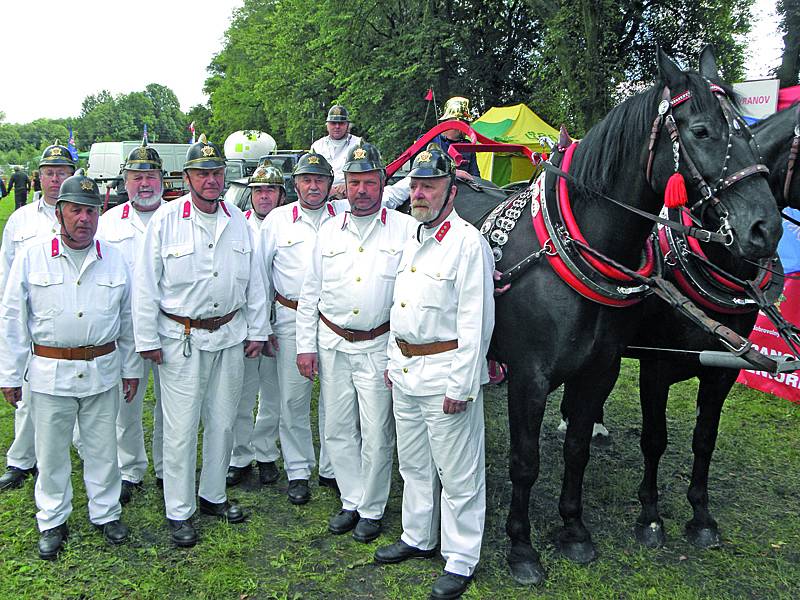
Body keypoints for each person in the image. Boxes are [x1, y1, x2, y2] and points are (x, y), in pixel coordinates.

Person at [133, 135, 270, 548]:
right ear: (188, 176)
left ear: (225, 175)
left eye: (216, 172)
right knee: (180, 427)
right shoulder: (167, 219)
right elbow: (145, 284)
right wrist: (147, 338)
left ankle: (212, 495)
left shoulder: (239, 220)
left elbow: (256, 282)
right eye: (202, 173)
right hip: (180, 338)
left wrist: (258, 330)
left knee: (224, 420)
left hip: (229, 335)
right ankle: (179, 509)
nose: (210, 180)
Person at [374, 144, 494, 600]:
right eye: (416, 185)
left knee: (459, 472)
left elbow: (476, 322)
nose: (420, 193)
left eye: (430, 185)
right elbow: (397, 306)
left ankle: (461, 558)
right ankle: (418, 536)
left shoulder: (467, 243)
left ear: (451, 190)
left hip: (445, 374)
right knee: (415, 464)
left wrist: (462, 385)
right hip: (405, 370)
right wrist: (391, 360)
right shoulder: (412, 237)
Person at [0, 171, 139, 560]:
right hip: (49, 372)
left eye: (92, 212)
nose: (85, 219)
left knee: (101, 448)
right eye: (76, 210)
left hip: (101, 369)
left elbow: (127, 320)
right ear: (59, 213)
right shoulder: (32, 257)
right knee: (51, 453)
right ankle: (52, 519)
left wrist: (130, 368)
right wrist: (10, 374)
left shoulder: (114, 259)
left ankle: (106, 512)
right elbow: (12, 318)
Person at [296, 142, 416, 543]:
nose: (361, 190)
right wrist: (305, 345)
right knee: (337, 428)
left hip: (378, 344)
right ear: (343, 186)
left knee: (377, 431)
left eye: (369, 182)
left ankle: (372, 507)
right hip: (331, 343)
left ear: (383, 183)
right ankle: (350, 498)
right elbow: (309, 292)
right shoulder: (329, 229)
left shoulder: (405, 231)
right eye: (354, 182)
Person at [257, 151, 347, 505]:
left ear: (330, 184)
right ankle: (297, 470)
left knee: (335, 399)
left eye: (320, 180)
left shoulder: (344, 216)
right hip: (290, 318)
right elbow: (260, 277)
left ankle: (331, 467)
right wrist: (261, 326)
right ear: (294, 184)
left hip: (333, 321)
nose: (313, 186)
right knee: (293, 399)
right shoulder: (277, 221)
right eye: (306, 180)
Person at [0, 144, 76, 492]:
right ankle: (21, 459)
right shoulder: (21, 220)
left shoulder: (86, 214)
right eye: (49, 172)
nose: (56, 178)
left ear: (73, 174)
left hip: (69, 321)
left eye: (62, 171)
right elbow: (6, 273)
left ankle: (82, 451)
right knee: (28, 396)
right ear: (39, 177)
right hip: (32, 321)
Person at [96, 139, 166, 503]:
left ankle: (168, 468)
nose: (144, 183)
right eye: (137, 176)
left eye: (151, 175)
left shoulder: (176, 217)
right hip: (124, 327)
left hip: (170, 326)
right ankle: (130, 469)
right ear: (125, 181)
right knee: (128, 400)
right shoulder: (107, 224)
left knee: (171, 405)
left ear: (163, 180)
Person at [226, 164, 285, 487]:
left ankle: (266, 453)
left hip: (282, 319)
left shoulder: (288, 223)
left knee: (273, 394)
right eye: (259, 190)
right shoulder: (237, 225)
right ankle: (240, 455)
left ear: (280, 194)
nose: (264, 196)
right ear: (250, 194)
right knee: (242, 393)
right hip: (245, 324)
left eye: (271, 190)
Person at [310, 104, 362, 197]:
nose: (337, 126)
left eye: (341, 123)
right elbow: (310, 174)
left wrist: (349, 186)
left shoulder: (359, 144)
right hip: (323, 194)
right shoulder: (317, 146)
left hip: (352, 194)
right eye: (333, 123)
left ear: (347, 125)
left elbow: (367, 174)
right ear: (327, 125)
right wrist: (327, 189)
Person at [428, 96, 481, 180]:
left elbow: (475, 176)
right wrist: (454, 172)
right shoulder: (430, 141)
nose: (468, 126)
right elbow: (423, 170)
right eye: (466, 122)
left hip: (464, 192)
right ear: (457, 122)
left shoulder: (467, 146)